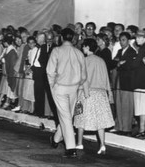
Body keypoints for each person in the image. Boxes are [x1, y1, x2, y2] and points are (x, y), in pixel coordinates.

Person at [47, 28, 89, 158]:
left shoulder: (56, 51)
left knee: (65, 117)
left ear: (61, 37)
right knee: (67, 117)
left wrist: (52, 85)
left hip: (60, 87)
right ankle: (55, 139)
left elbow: (50, 71)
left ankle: (71, 148)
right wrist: (78, 84)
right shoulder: (79, 53)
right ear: (73, 38)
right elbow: (84, 75)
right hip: (74, 88)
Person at [74, 38, 114, 154]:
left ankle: (79, 143)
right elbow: (106, 78)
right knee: (100, 121)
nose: (82, 48)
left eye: (83, 47)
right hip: (101, 94)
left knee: (80, 118)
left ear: (87, 47)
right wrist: (109, 92)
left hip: (86, 93)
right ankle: (102, 145)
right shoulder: (101, 61)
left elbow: (81, 79)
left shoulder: (84, 61)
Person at [113, 31, 138, 135]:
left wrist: (120, 64)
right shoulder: (119, 51)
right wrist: (119, 63)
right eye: (120, 40)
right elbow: (113, 62)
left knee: (127, 105)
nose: (121, 42)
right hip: (119, 79)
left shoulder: (132, 52)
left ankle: (126, 128)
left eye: (123, 40)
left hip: (127, 81)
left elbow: (129, 66)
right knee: (119, 103)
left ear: (128, 41)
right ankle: (119, 126)